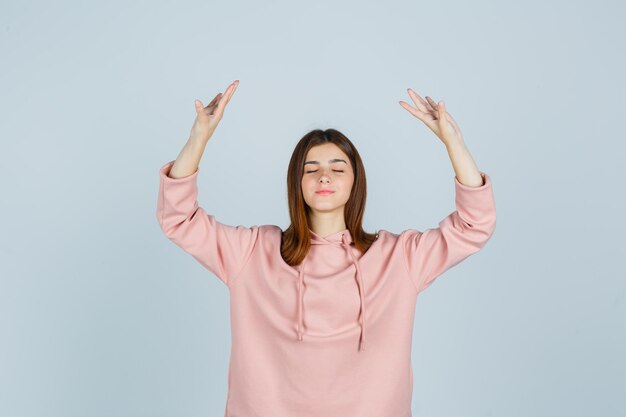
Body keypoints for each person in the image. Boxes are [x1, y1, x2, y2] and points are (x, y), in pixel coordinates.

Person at [156, 80, 496, 417]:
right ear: (297, 183)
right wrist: (198, 139)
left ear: (355, 182)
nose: (324, 177)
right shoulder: (252, 251)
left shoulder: (399, 257)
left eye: (337, 168)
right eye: (311, 169)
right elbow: (179, 218)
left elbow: (474, 225)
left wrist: (454, 143)